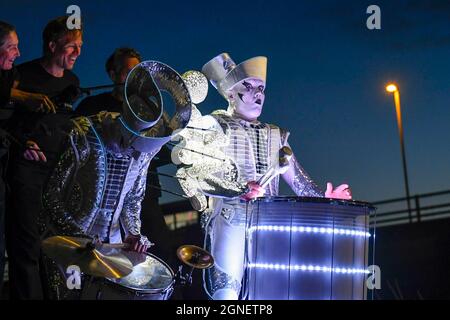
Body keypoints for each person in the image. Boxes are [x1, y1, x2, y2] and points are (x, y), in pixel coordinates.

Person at [177, 53, 352, 300]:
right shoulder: (214, 126)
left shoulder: (276, 135)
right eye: (248, 88)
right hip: (230, 219)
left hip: (269, 224)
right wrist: (238, 188)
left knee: (270, 292)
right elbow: (200, 175)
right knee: (226, 291)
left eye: (261, 88)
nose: (257, 94)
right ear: (230, 94)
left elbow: (298, 180)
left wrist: (325, 199)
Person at [41, 60, 192, 299]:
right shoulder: (84, 133)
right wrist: (78, 235)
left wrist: (133, 233)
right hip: (69, 242)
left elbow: (133, 198)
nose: (134, 151)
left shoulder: (143, 152)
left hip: (112, 243)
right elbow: (52, 194)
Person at [5, 16, 82, 299]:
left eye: (80, 46)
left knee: (53, 247)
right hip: (26, 173)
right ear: (52, 45)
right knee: (25, 247)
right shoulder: (21, 75)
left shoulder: (73, 81)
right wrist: (22, 140)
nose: (77, 52)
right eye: (70, 46)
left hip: (57, 176)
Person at [76, 47, 174, 269]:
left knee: (160, 252)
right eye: (126, 72)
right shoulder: (91, 107)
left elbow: (163, 149)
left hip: (143, 191)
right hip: (101, 199)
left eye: (138, 72)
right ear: (112, 75)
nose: (133, 78)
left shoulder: (151, 109)